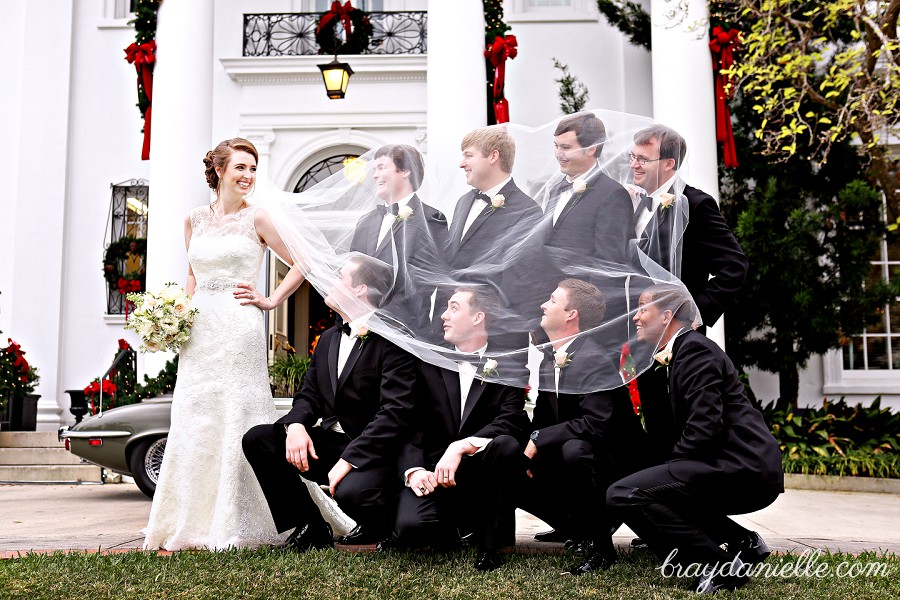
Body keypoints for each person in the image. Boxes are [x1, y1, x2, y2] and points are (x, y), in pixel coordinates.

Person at [143, 138, 309, 550]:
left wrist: (270, 300)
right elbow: (193, 275)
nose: (248, 176)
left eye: (252, 169)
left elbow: (303, 262)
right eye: (240, 167)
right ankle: (190, 520)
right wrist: (176, 316)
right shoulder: (194, 220)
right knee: (196, 415)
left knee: (237, 411)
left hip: (238, 326)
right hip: (199, 328)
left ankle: (242, 519)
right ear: (218, 170)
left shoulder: (259, 219)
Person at [607, 284, 783, 594]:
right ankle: (742, 542)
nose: (636, 316)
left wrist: (666, 473)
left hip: (741, 466)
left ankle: (722, 565)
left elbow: (704, 427)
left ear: (666, 316)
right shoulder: (674, 354)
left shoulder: (696, 349)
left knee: (625, 492)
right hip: (718, 461)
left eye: (643, 308)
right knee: (634, 480)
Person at [242, 254, 419, 551]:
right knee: (259, 438)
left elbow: (395, 413)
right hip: (332, 444)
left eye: (340, 277)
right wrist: (296, 425)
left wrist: (350, 459)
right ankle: (311, 526)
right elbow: (308, 395)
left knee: (353, 492)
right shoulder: (327, 340)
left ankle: (383, 523)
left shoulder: (392, 340)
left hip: (374, 451)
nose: (330, 283)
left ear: (360, 289)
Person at [393, 285, 531, 571]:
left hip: (483, 476)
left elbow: (513, 420)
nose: (444, 315)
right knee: (411, 530)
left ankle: (490, 547)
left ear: (479, 317)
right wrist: (414, 470)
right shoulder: (427, 360)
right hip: (434, 472)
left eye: (454, 308)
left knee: (506, 445)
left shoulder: (510, 364)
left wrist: (463, 445)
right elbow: (408, 422)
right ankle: (459, 528)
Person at [518, 279, 646, 575]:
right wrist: (529, 446)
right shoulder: (551, 359)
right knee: (515, 458)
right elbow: (544, 419)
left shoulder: (595, 359)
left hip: (615, 463)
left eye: (551, 300)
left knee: (574, 450)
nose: (543, 305)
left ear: (570, 314)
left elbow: (596, 423)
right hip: (573, 455)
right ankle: (573, 527)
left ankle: (601, 547)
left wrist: (538, 440)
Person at [629, 125, 747, 328]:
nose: (633, 165)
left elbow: (734, 265)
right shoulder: (635, 202)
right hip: (632, 330)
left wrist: (694, 313)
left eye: (643, 159)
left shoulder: (697, 205)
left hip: (674, 335)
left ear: (669, 164)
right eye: (632, 157)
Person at [444, 126, 543, 351]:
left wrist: (484, 320)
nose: (462, 163)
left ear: (493, 156)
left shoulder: (527, 211)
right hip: (452, 326)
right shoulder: (463, 202)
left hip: (497, 334)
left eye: (468, 155)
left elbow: (522, 278)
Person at [349, 144, 448, 339]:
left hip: (408, 333)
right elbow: (350, 278)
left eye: (382, 168)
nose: (375, 176)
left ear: (405, 170)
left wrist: (436, 339)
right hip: (362, 331)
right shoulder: (366, 222)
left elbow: (441, 282)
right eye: (375, 169)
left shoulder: (431, 219)